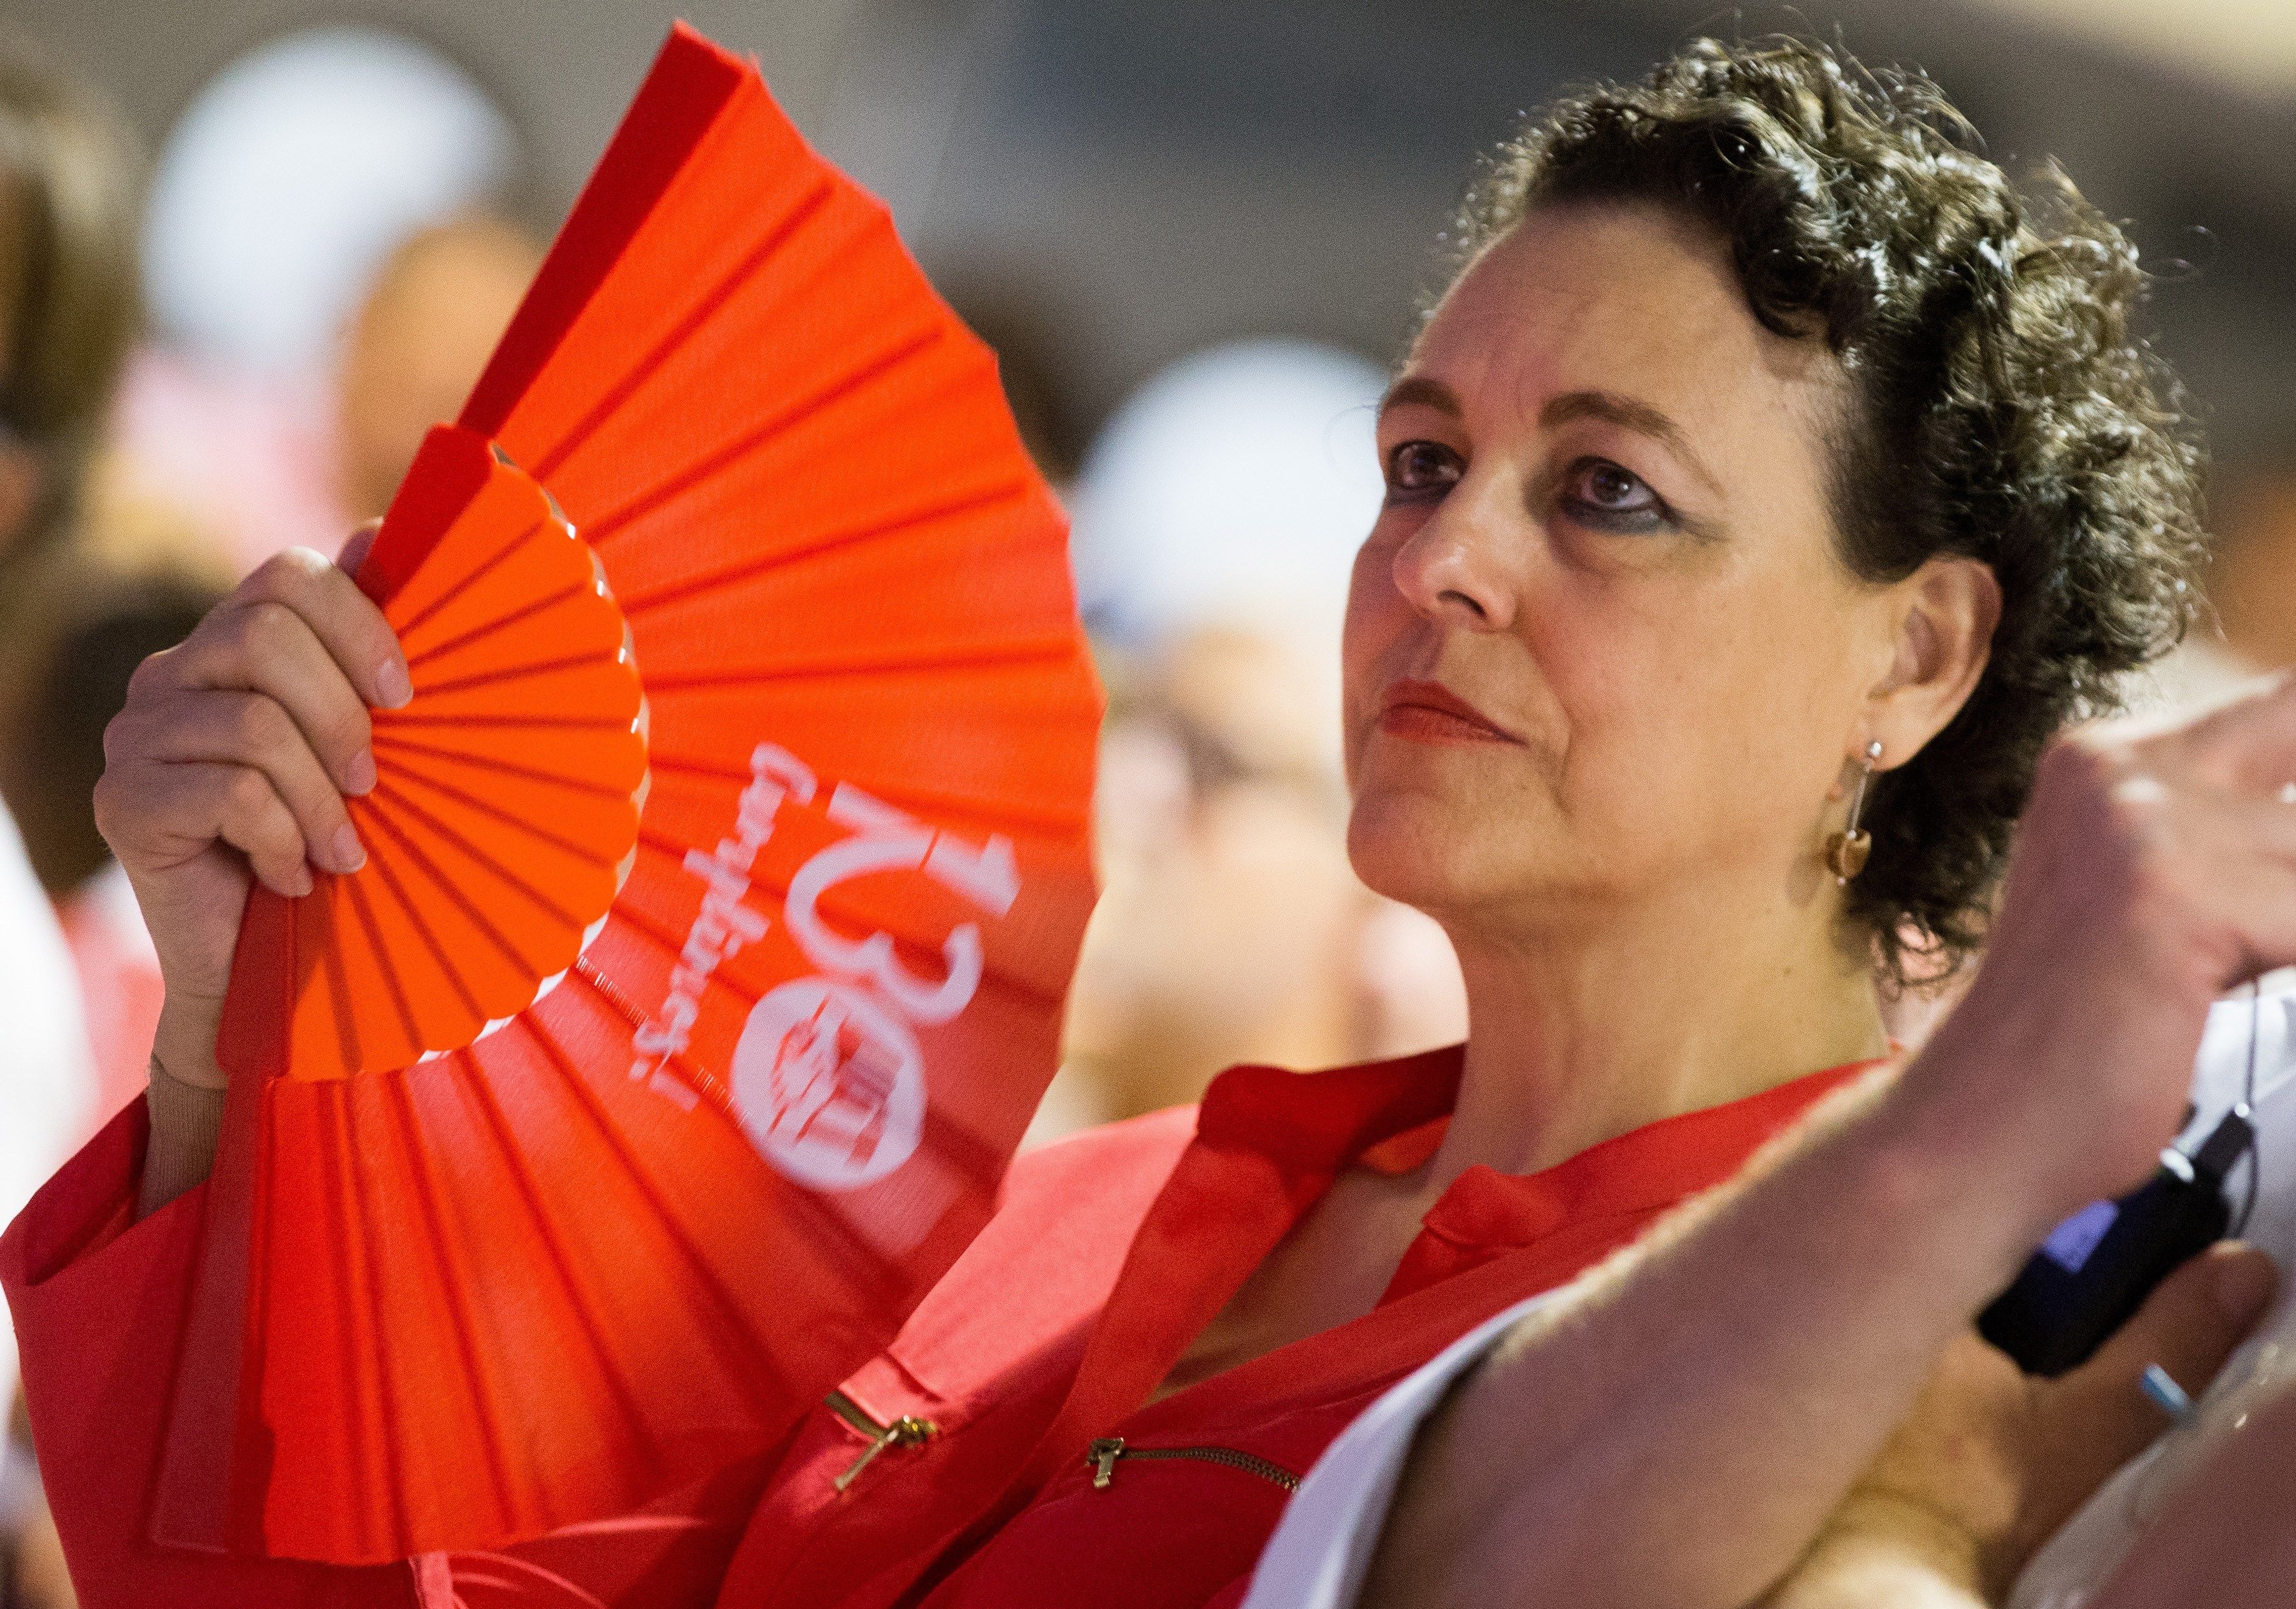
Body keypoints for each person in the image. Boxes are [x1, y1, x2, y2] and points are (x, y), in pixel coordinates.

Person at [5, 33, 2291, 1609]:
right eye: (1419, 463)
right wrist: (239, 1022)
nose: (1442, 560)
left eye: (1607, 493)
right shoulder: (1068, 1209)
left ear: (1916, 658)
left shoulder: (1911, 1374)